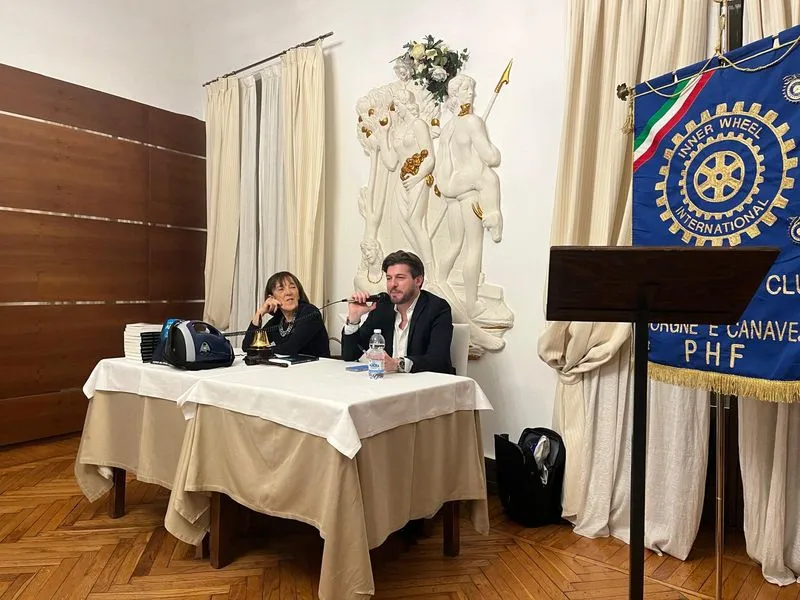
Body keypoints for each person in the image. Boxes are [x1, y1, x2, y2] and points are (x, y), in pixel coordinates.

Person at [342, 250, 455, 374]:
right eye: (389, 278)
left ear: (418, 280)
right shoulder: (382, 307)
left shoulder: (437, 308)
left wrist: (398, 364)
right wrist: (353, 319)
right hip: (390, 381)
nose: (392, 285)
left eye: (400, 278)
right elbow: (350, 355)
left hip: (425, 382)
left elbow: (438, 360)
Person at [242, 271, 330, 358]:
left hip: (318, 366)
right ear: (272, 298)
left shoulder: (310, 312)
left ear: (299, 294)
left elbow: (290, 348)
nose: (288, 292)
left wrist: (262, 351)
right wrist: (260, 312)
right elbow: (247, 346)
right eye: (281, 289)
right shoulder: (278, 320)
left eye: (292, 287)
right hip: (290, 366)